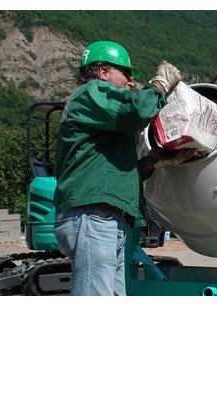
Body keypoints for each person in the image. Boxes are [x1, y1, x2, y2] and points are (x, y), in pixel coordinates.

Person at [53, 40, 185, 296]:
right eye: (126, 74)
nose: (131, 83)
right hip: (93, 216)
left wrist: (151, 162)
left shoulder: (100, 115)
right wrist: (160, 84)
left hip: (102, 217)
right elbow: (135, 111)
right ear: (103, 72)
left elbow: (109, 170)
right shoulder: (92, 93)